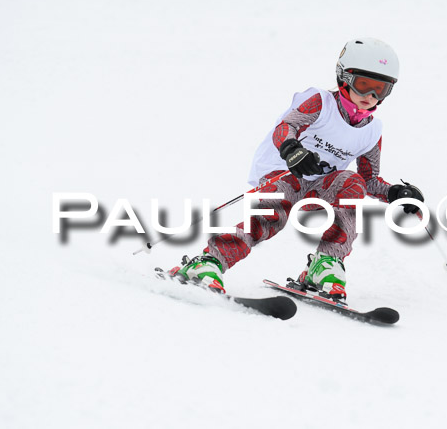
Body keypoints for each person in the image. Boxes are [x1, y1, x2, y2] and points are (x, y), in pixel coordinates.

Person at [165, 38, 424, 300]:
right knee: (272, 216)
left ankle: (324, 265)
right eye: (364, 85)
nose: (371, 97)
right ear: (344, 78)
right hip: (282, 173)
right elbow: (285, 128)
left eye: (381, 89)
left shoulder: (371, 130)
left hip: (321, 188)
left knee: (352, 183)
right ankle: (209, 262)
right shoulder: (320, 102)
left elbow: (368, 180)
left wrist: (395, 193)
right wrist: (293, 151)